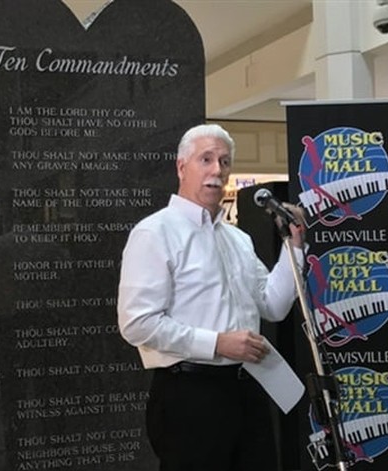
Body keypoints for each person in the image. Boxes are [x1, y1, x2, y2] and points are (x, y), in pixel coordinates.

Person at [117, 123, 305, 471]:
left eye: (225, 161)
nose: (217, 170)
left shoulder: (238, 239)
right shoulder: (154, 232)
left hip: (248, 386)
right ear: (181, 167)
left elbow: (274, 306)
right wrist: (217, 343)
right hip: (190, 394)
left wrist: (294, 247)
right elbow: (138, 324)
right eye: (206, 159)